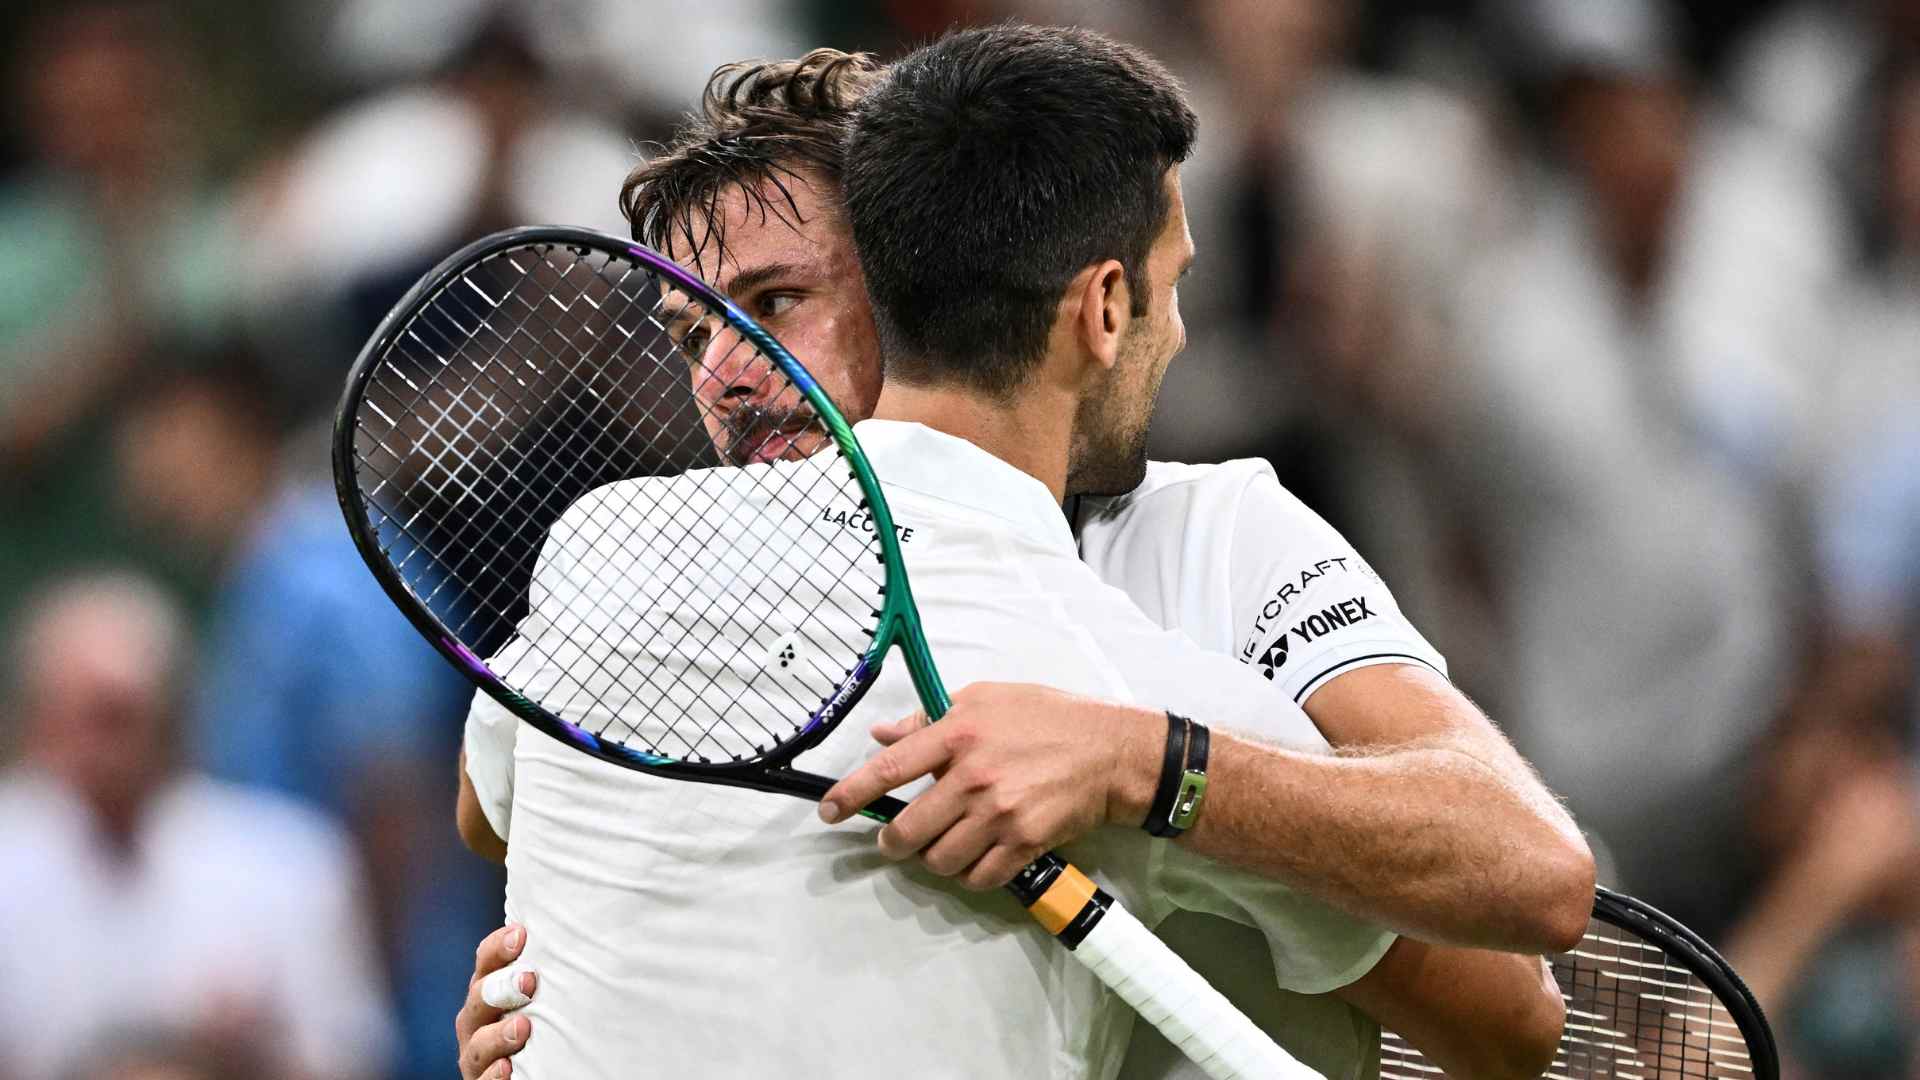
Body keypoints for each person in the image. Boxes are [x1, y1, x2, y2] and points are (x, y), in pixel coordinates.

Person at [455, 30, 1577, 1080]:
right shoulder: (648, 556)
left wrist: (1147, 768)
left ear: (909, 262)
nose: (726, 376)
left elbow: (1508, 989)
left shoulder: (1208, 542)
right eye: (693, 333)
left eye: (777, 302)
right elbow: (495, 807)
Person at [0, 572, 396, 1080]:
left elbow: (355, 1058)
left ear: (173, 715)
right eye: (72, 716)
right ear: (33, 719)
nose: (94, 748)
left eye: (116, 717)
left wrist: (247, 1058)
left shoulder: (291, 861)